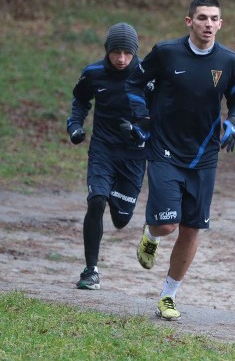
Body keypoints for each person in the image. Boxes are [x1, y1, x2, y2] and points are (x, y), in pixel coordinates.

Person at [124, 0, 235, 321]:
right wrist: (141, 117)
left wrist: (233, 125)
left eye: (214, 19)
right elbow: (135, 84)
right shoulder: (166, 53)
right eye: (202, 18)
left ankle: (168, 295)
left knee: (191, 229)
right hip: (164, 149)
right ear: (189, 21)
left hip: (204, 156)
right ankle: (150, 236)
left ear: (221, 23)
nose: (208, 24)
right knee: (166, 224)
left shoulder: (230, 62)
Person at [66, 22, 149, 290]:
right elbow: (80, 100)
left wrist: (139, 132)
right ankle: (90, 270)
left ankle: (118, 197)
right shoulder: (94, 74)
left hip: (134, 155)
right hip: (102, 149)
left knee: (121, 219)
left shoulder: (148, 75)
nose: (121, 59)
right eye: (116, 52)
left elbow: (161, 112)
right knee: (97, 200)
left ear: (135, 52)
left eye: (127, 53)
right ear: (107, 51)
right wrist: (75, 126)